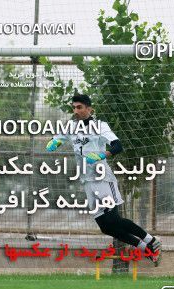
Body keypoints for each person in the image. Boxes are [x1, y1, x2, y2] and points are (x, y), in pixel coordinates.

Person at [46, 94, 161, 265]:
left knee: (114, 219)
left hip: (102, 178)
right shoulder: (71, 126)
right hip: (88, 182)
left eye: (80, 107)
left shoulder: (100, 126)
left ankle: (150, 240)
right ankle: (146, 248)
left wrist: (102, 154)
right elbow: (57, 138)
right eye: (74, 107)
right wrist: (53, 142)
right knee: (105, 227)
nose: (76, 110)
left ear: (89, 109)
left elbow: (117, 146)